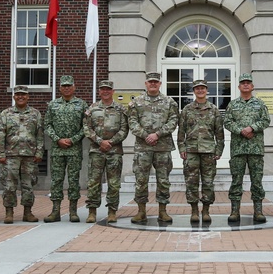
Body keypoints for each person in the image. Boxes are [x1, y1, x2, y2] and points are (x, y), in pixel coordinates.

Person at [127, 72, 179, 224]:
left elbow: (173, 121)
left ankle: (163, 211)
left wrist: (157, 134)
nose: (153, 84)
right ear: (146, 84)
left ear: (160, 84)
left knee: (163, 180)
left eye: (156, 82)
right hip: (143, 148)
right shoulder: (136, 102)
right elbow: (132, 122)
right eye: (150, 82)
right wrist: (145, 135)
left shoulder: (170, 102)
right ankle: (141, 211)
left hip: (163, 147)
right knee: (141, 180)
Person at [223, 73, 270, 224]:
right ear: (239, 86)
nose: (245, 85)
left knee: (257, 181)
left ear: (252, 86)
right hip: (238, 149)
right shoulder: (233, 104)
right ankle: (234, 211)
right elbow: (227, 122)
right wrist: (240, 130)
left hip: (255, 148)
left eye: (248, 83)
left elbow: (266, 120)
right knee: (236, 180)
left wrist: (252, 128)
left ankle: (258, 211)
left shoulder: (260, 104)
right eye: (243, 83)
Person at [177, 79, 225, 224]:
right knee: (191, 182)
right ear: (194, 91)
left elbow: (219, 132)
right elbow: (181, 131)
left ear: (206, 90)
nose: (200, 91)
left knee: (208, 182)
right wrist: (181, 148)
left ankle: (206, 210)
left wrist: (219, 149)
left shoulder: (214, 109)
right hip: (191, 151)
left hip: (209, 151)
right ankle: (193, 210)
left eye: (202, 88)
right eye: (197, 89)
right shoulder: (187, 109)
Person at [0, 85, 45, 224]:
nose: (20, 97)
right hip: (11, 155)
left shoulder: (35, 114)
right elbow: (0, 135)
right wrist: (1, 153)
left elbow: (40, 135)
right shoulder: (6, 114)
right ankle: (9, 212)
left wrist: (40, 151)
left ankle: (27, 212)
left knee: (28, 185)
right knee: (9, 185)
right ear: (14, 97)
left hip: (30, 156)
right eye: (18, 95)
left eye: (23, 94)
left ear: (28, 96)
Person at [83, 79, 129, 223]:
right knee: (93, 182)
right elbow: (87, 128)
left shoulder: (121, 109)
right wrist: (100, 141)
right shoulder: (92, 109)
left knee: (114, 183)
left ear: (113, 92)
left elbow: (124, 129)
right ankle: (92, 211)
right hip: (96, 151)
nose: (105, 92)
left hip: (114, 151)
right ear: (100, 91)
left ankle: (112, 211)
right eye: (103, 89)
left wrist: (111, 142)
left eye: (108, 89)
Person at [44, 75, 87, 223]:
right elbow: (47, 125)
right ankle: (55, 211)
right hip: (57, 149)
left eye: (69, 85)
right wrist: (58, 139)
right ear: (60, 88)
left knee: (73, 180)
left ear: (74, 87)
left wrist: (73, 139)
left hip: (74, 150)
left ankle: (73, 212)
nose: (67, 88)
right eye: (64, 86)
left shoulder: (82, 105)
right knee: (56, 180)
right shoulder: (52, 105)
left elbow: (86, 127)